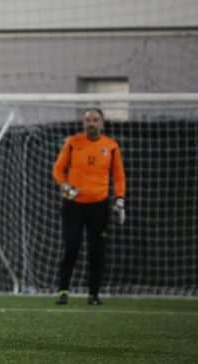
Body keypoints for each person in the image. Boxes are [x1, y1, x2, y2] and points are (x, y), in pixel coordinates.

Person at [52, 108, 126, 305]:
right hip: (73, 205)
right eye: (88, 120)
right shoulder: (72, 143)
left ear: (102, 123)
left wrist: (120, 199)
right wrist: (65, 185)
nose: (91, 123)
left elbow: (118, 176)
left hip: (99, 207)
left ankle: (93, 295)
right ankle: (63, 291)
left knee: (97, 252)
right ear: (83, 123)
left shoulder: (111, 146)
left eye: (95, 120)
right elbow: (58, 169)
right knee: (72, 247)